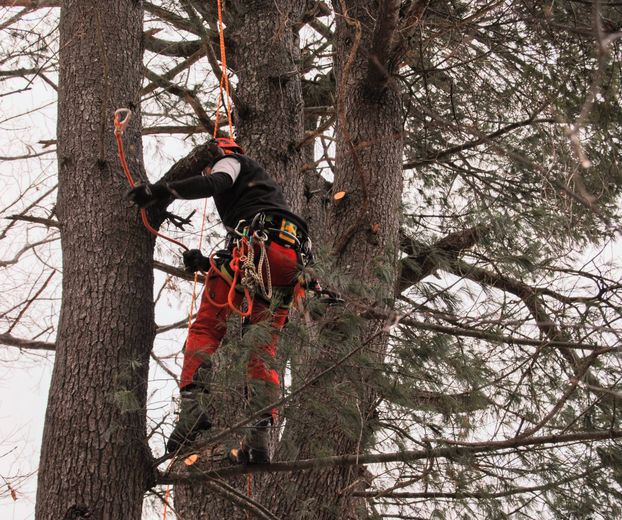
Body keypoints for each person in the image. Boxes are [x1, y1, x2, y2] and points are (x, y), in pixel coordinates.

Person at [128, 137, 311, 463]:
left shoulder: (232, 162)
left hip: (257, 251)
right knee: (262, 348)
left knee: (206, 330)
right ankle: (258, 438)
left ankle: (191, 411)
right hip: (288, 264)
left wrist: (159, 190)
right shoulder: (265, 194)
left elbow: (217, 181)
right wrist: (205, 264)